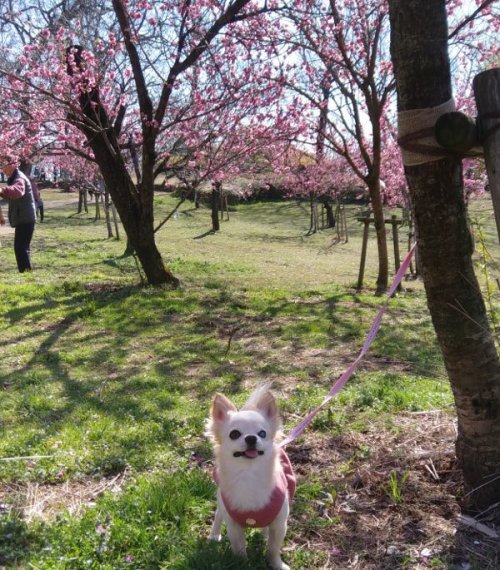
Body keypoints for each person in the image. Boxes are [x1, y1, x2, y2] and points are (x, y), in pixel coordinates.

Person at [0, 156, 37, 272]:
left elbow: (18, 191)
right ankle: (25, 271)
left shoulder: (19, 178)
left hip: (26, 218)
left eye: (4, 166)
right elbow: (9, 194)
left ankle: (26, 273)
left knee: (21, 247)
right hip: (23, 217)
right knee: (21, 247)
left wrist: (2, 190)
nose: (3, 170)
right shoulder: (15, 177)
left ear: (12, 165)